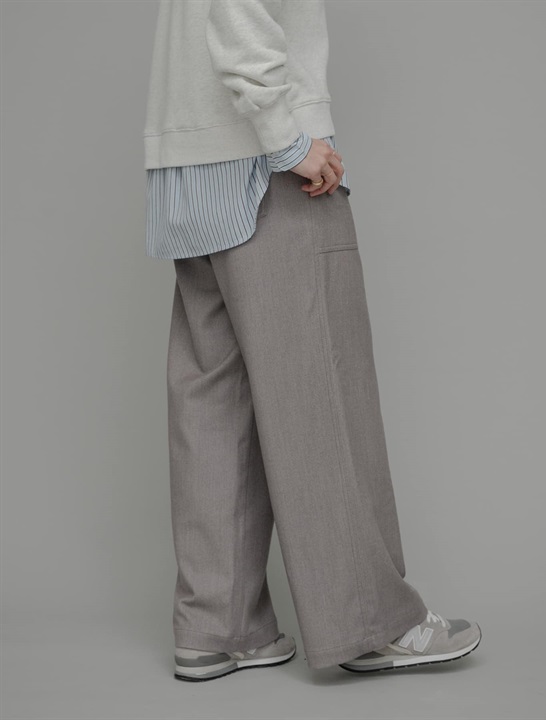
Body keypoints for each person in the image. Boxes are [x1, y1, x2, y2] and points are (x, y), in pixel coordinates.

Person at [143, 0, 482, 682]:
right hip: (263, 162)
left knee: (214, 400)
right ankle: (371, 622)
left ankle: (218, 626)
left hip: (187, 163)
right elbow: (239, 17)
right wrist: (288, 138)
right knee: (321, 394)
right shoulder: (277, 145)